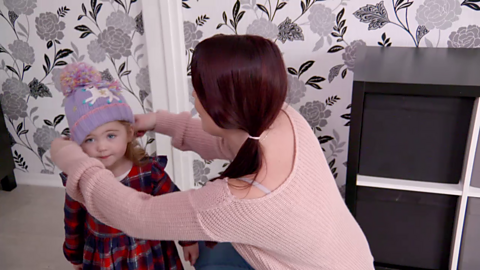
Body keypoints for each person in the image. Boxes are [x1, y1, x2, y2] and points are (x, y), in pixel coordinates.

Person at [51, 35, 374, 269]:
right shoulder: (281, 116)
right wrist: (159, 121)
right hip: (349, 255)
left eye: (199, 88)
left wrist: (75, 162)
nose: (193, 96)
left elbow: (136, 216)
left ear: (223, 105)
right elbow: (226, 142)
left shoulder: (234, 202)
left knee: (210, 260)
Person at [57, 62, 198, 270]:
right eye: (89, 140)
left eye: (111, 135)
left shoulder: (149, 172)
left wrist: (189, 240)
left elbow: (175, 205)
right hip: (105, 255)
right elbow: (73, 221)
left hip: (150, 248)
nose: (102, 147)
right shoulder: (81, 179)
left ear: (129, 133)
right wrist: (75, 256)